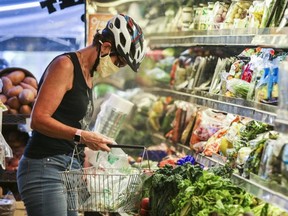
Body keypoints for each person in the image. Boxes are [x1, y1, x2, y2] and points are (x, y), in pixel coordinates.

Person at [17, 14, 146, 216]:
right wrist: (83, 136)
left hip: (69, 169)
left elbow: (70, 122)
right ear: (105, 47)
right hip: (45, 167)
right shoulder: (65, 65)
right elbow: (38, 119)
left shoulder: (88, 76)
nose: (117, 68)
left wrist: (91, 147)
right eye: (119, 62)